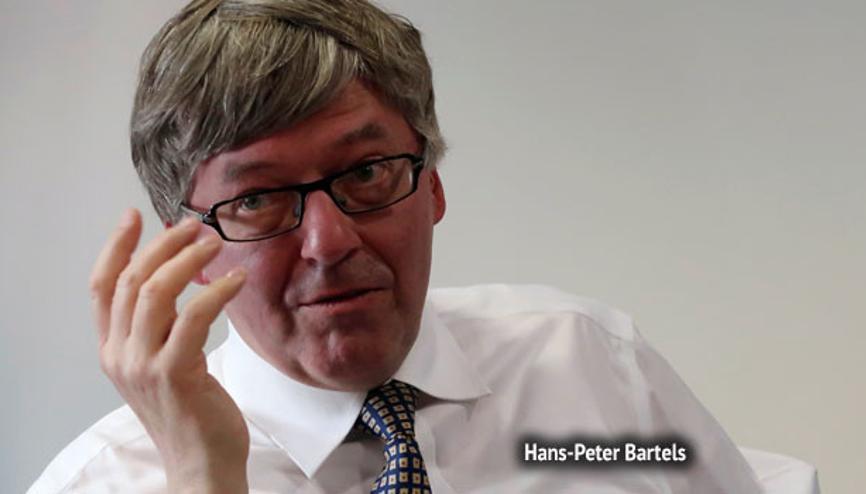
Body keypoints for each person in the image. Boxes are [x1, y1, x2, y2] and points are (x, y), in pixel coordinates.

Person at [28, 1, 784, 493]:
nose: (329, 241)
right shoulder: (104, 481)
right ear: (187, 252)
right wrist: (203, 477)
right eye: (257, 199)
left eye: (366, 173)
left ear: (434, 187)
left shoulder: (587, 364)